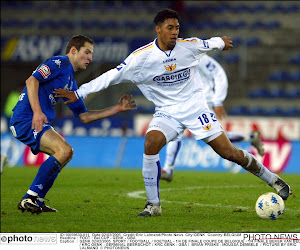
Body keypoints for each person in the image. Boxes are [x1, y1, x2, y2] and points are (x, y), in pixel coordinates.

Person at [54, 9, 292, 217]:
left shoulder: (189, 47)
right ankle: (153, 205)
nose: (175, 32)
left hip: (196, 107)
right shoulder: (140, 58)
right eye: (170, 28)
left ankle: (273, 179)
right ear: (158, 29)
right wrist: (80, 92)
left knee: (229, 153)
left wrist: (222, 41)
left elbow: (211, 43)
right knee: (151, 143)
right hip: (167, 111)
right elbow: (109, 77)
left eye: (177, 27)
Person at [9, 35, 136, 214]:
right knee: (64, 150)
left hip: (33, 119)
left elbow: (84, 116)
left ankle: (37, 200)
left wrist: (116, 108)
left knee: (66, 154)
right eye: (87, 52)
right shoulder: (59, 63)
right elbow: (32, 81)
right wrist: (37, 112)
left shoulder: (71, 83)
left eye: (91, 54)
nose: (90, 58)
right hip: (25, 118)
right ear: (74, 51)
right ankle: (29, 197)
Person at [161, 54, 265, 182]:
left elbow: (219, 74)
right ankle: (168, 169)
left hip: (203, 102)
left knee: (215, 136)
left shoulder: (196, 55)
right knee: (177, 129)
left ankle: (168, 169)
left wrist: (218, 101)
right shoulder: (172, 58)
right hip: (185, 102)